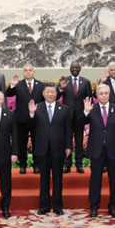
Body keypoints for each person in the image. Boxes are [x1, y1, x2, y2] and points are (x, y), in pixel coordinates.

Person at [81, 84, 115, 218]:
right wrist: (86, 112)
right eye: (101, 93)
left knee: (114, 180)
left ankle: (112, 207)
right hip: (97, 149)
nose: (104, 96)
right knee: (95, 179)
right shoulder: (92, 108)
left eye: (106, 93)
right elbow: (81, 123)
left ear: (109, 94)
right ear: (96, 95)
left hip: (114, 149)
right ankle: (94, 207)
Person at [28, 84, 72, 215]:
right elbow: (30, 126)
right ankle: (44, 206)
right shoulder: (37, 107)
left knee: (58, 179)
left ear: (57, 94)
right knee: (44, 179)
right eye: (48, 92)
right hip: (42, 148)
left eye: (53, 92)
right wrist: (31, 114)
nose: (50, 94)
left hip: (58, 148)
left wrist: (68, 146)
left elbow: (68, 129)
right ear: (43, 93)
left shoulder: (64, 109)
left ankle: (58, 207)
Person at [5, 64, 45, 174]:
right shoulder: (18, 85)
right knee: (21, 143)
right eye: (26, 70)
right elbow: (8, 94)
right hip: (21, 119)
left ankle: (37, 165)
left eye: (30, 70)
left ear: (34, 72)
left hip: (37, 119)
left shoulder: (41, 85)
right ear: (23, 72)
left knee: (37, 143)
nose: (28, 72)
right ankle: (22, 164)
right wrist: (12, 85)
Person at [58, 61, 92, 173]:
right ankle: (67, 164)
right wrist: (61, 88)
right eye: (73, 67)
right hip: (67, 116)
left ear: (80, 68)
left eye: (77, 67)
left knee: (79, 141)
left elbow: (89, 98)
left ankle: (79, 164)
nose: (75, 69)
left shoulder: (86, 82)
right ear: (70, 69)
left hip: (80, 116)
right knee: (66, 141)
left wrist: (87, 113)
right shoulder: (65, 81)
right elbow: (56, 95)